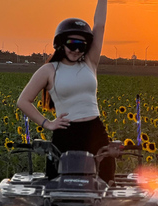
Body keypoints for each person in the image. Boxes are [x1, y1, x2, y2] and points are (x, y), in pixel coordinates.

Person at [17, 0, 115, 183]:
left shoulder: (90, 63)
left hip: (95, 131)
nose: (77, 50)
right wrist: (47, 123)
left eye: (82, 45)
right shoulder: (49, 70)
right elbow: (23, 101)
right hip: (66, 134)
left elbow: (100, 25)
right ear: (61, 43)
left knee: (105, 186)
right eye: (72, 44)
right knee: (58, 187)